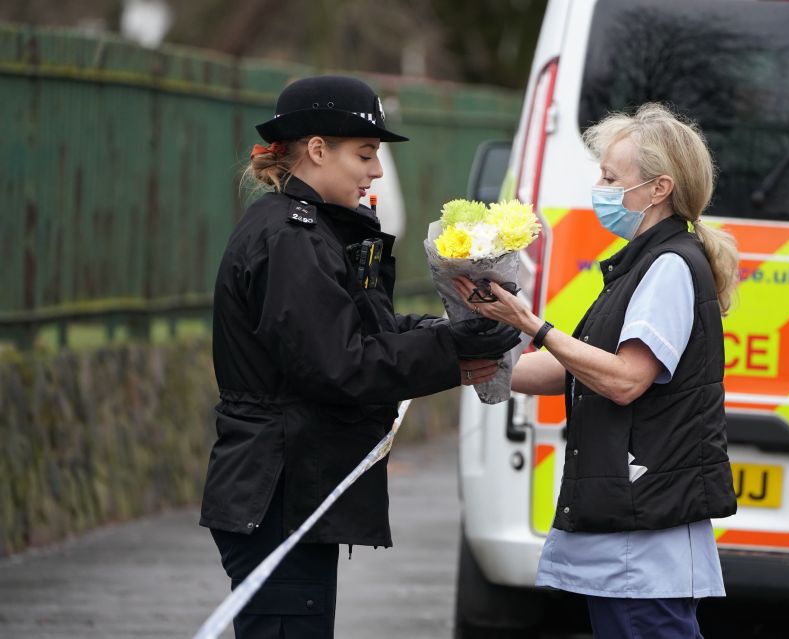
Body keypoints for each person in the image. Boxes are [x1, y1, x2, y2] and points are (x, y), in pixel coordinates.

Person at [200, 75, 520, 639]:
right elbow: (339, 364)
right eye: (366, 154)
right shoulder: (290, 238)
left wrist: (455, 330)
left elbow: (362, 329)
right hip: (278, 488)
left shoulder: (313, 230)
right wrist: (453, 352)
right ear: (318, 150)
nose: (375, 171)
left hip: (289, 487)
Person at [453, 103, 740, 639]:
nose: (600, 187)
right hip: (630, 531)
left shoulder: (670, 266)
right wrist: (465, 362)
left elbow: (625, 379)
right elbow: (573, 368)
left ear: (658, 188)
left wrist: (531, 325)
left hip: (644, 535)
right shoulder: (643, 262)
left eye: (611, 177)